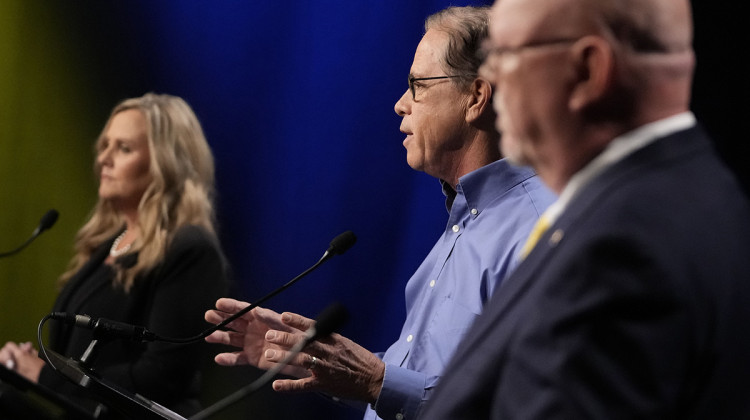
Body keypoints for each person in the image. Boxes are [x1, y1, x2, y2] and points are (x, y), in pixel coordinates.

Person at [204, 6, 555, 420]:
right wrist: (319, 363)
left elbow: (523, 398)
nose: (400, 104)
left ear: (476, 96)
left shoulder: (539, 229)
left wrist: (376, 381)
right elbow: (424, 377)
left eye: (417, 85)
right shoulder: (463, 226)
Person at [419, 0, 750, 418]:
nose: (491, 79)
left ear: (588, 71)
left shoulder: (622, 250)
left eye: (503, 53)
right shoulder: (698, 190)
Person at [0, 93, 229, 417]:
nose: (103, 159)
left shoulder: (190, 249)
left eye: (123, 148)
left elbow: (162, 376)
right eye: (105, 145)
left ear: (167, 163)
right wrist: (23, 365)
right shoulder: (107, 243)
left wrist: (45, 376)